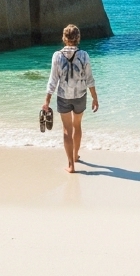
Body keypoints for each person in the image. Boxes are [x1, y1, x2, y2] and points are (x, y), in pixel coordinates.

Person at [42, 24, 98, 173]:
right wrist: (94, 97)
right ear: (78, 38)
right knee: (77, 126)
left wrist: (47, 100)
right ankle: (75, 156)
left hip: (63, 97)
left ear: (64, 38)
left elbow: (52, 80)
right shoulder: (84, 55)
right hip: (80, 95)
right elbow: (89, 79)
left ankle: (71, 165)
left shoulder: (57, 56)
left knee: (67, 130)